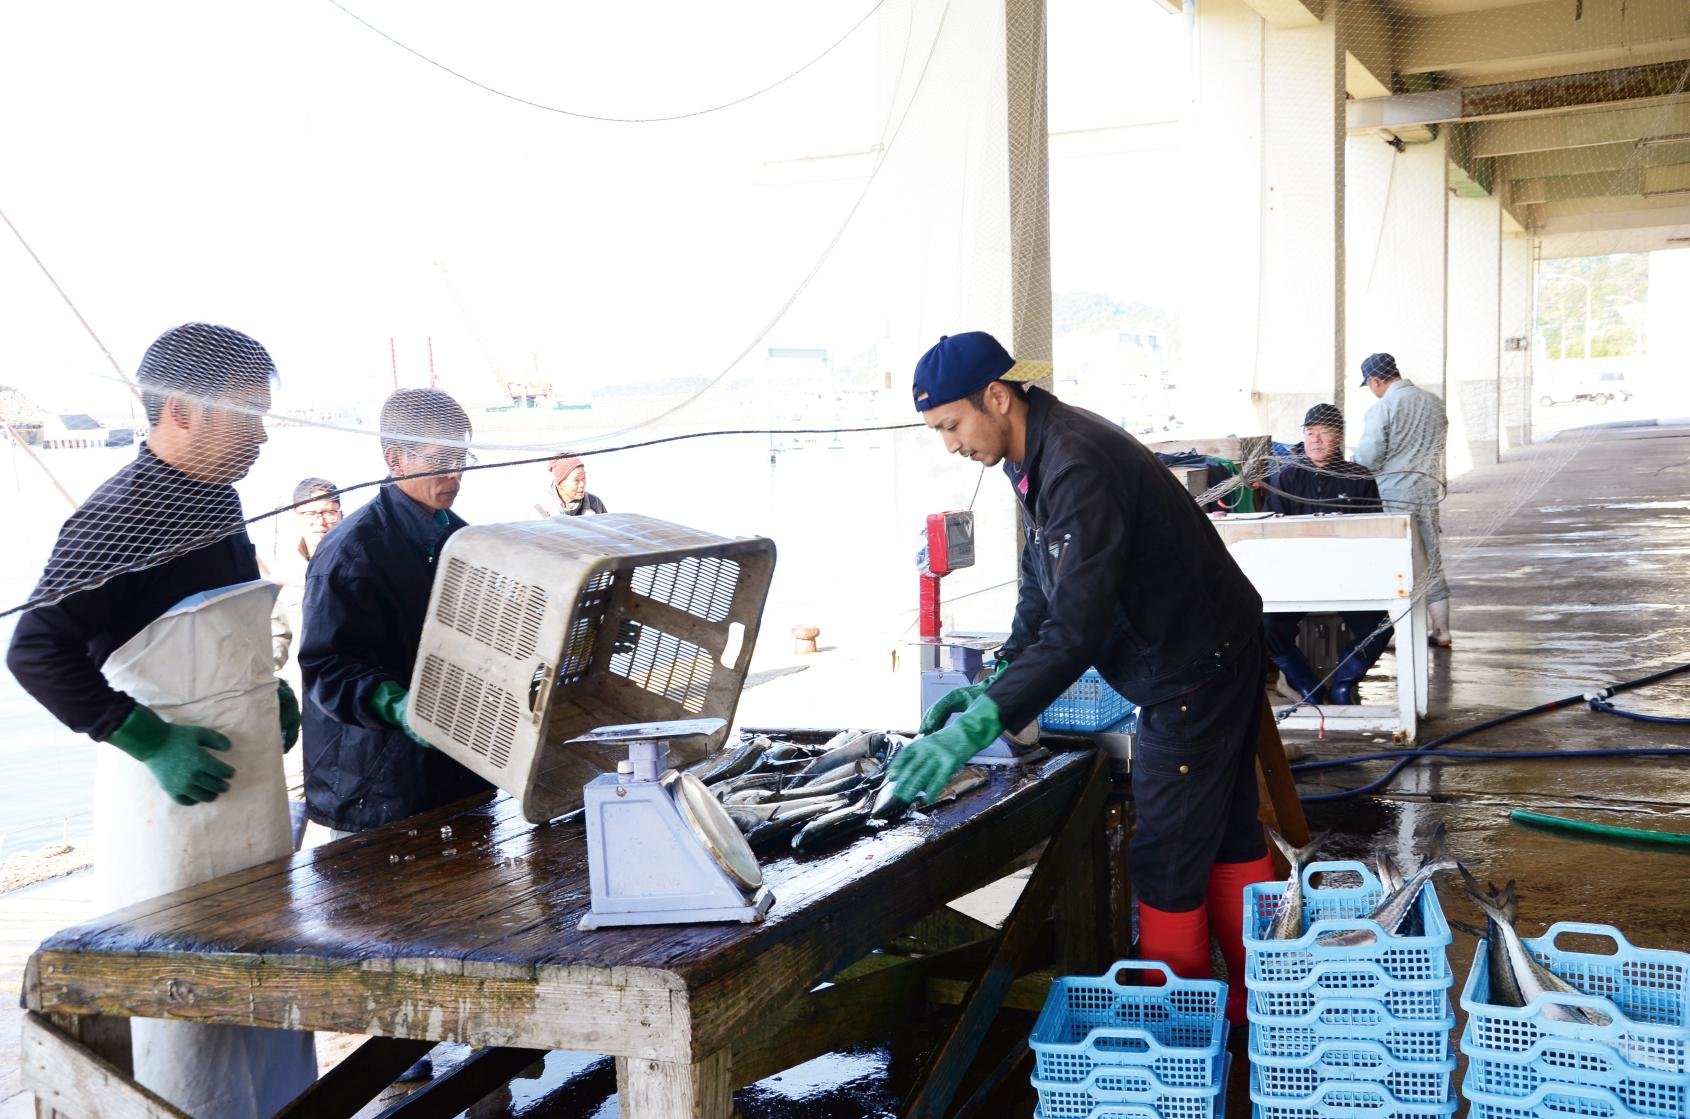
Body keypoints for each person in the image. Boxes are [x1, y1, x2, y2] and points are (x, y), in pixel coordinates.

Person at [889, 331, 1274, 1024]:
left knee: (1163, 857)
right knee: (1229, 832)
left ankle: (1177, 1028)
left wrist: (984, 722)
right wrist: (997, 674)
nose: (948, 444)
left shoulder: (1076, 463)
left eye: (950, 425)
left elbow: (1078, 628)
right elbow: (1043, 591)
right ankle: (1257, 1007)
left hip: (1191, 666)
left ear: (997, 397)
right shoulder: (1031, 454)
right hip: (1215, 640)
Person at [5, 322, 315, 1117]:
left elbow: (226, 619)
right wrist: (145, 737)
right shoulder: (118, 516)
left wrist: (266, 687)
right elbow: (35, 650)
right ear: (180, 408)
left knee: (275, 1007)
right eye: (245, 413)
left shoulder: (218, 497)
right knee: (190, 1015)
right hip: (171, 812)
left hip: (250, 796)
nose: (261, 433)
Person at [297, 388, 492, 1081]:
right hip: (368, 780)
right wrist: (393, 701)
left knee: (462, 927)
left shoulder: (461, 535)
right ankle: (384, 1076)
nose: (452, 472)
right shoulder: (350, 549)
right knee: (377, 948)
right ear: (393, 457)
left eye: (461, 457)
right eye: (437, 459)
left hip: (450, 767)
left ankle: (475, 1061)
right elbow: (323, 666)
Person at [1262, 403, 1389, 706]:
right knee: (1265, 628)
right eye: (1310, 432)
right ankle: (1309, 687)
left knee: (1381, 626)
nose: (1316, 439)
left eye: (1324, 432)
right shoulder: (1286, 478)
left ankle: (1344, 682)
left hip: (1348, 579)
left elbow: (1375, 530)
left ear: (1340, 437)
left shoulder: (1359, 477)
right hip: (1296, 580)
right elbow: (1269, 533)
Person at [1354, 353, 1452, 646]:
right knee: (1431, 560)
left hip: (1394, 496)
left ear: (1375, 380)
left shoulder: (1383, 408)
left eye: (1371, 385)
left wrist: (1354, 462)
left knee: (1401, 566)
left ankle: (1405, 632)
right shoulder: (1434, 402)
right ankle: (1442, 630)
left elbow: (1368, 459)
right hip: (1427, 492)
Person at [266, 477, 341, 846]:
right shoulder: (283, 573)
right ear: (297, 516)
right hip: (301, 696)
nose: (320, 520)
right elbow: (276, 638)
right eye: (311, 513)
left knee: (344, 779)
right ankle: (281, 868)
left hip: (347, 693)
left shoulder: (357, 555)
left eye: (328, 511)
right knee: (293, 783)